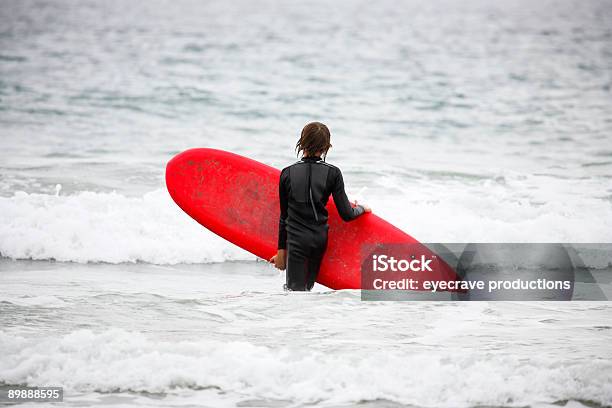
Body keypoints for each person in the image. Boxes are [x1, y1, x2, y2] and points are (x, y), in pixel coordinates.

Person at [269, 122, 371, 291]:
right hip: (319, 240)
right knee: (306, 289)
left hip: (296, 240)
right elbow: (347, 214)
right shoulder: (333, 173)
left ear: (302, 142)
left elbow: (284, 216)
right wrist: (361, 208)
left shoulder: (287, 173)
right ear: (326, 146)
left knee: (294, 292)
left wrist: (281, 252)